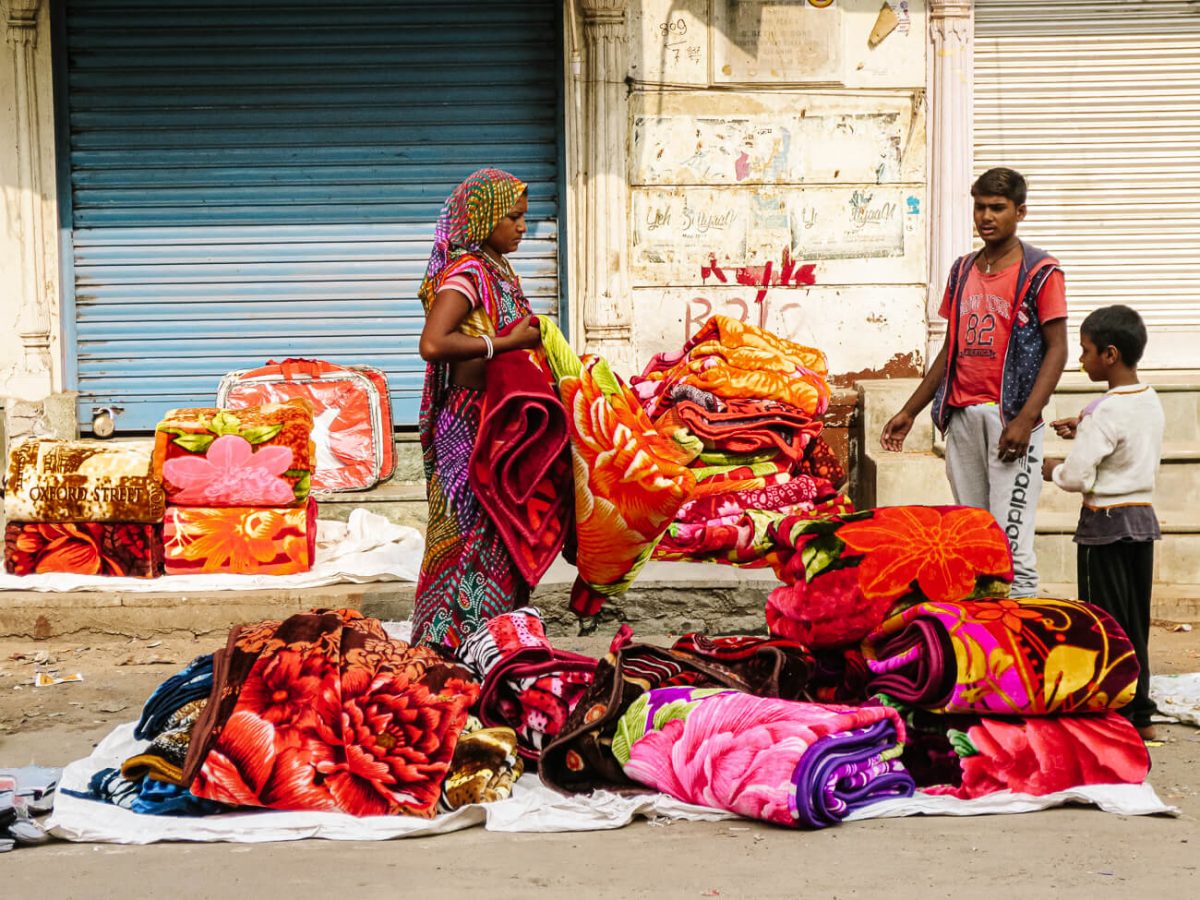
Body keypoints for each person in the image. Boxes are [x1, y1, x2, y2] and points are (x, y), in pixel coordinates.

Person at [881, 167, 1068, 597]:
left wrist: (1025, 420)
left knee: (1012, 547)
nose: (986, 216)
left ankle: (1020, 647)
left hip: (1010, 422)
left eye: (997, 208)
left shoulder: (1041, 272)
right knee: (972, 538)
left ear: (1020, 212)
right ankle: (981, 646)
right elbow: (951, 348)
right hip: (962, 417)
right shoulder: (963, 269)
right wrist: (910, 410)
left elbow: (1058, 349)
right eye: (980, 206)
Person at [413, 168, 542, 649]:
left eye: (524, 218)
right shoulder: (467, 272)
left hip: (497, 416)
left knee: (499, 529)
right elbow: (432, 343)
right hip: (467, 423)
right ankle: (445, 640)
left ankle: (493, 634)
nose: (522, 227)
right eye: (513, 217)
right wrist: (504, 344)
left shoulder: (499, 269)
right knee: (464, 530)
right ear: (485, 218)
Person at [1042, 306, 1164, 740]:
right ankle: (1141, 712)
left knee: (1103, 624)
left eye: (1086, 350)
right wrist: (1083, 426)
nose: (1080, 359)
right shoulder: (1147, 399)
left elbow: (1078, 477)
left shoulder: (1103, 414)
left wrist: (1052, 468)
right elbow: (1122, 436)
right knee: (1134, 621)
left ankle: (1110, 712)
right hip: (1141, 520)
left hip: (1104, 525)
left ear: (1109, 354)